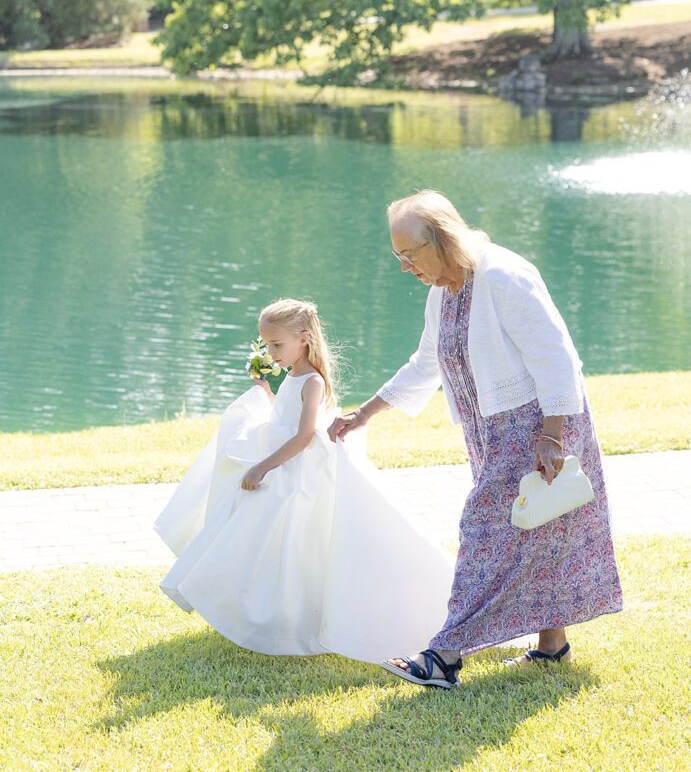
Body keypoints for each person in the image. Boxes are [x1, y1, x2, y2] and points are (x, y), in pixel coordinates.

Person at [329, 190, 623, 688]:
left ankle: (444, 656)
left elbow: (556, 356)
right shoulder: (443, 289)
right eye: (398, 256)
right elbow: (426, 363)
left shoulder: (504, 276)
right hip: (490, 432)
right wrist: (366, 412)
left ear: (442, 240)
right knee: (538, 532)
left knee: (484, 535)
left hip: (537, 427)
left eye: (410, 254)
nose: (404, 267)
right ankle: (552, 648)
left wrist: (552, 436)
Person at [155, 297, 454, 663]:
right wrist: (265, 392)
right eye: (266, 345)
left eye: (277, 345)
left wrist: (262, 467)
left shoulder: (312, 381)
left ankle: (282, 618)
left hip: (296, 474)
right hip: (285, 464)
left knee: (291, 544)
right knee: (252, 532)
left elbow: (303, 436)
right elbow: (285, 416)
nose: (271, 352)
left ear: (304, 338)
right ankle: (248, 606)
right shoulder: (293, 376)